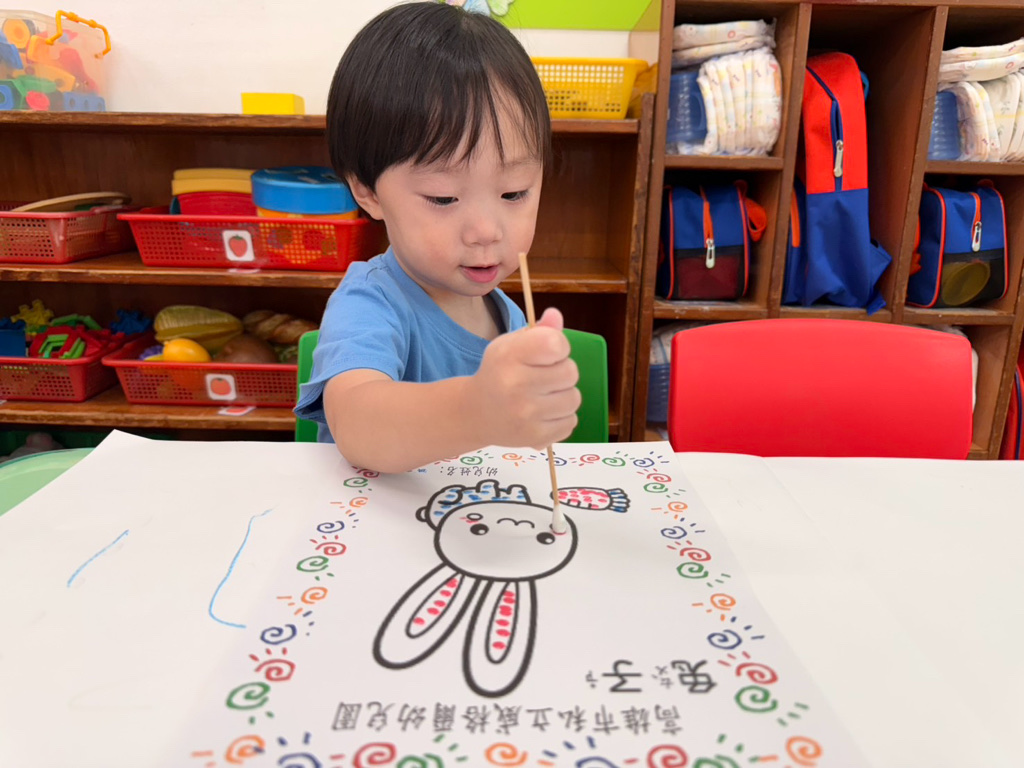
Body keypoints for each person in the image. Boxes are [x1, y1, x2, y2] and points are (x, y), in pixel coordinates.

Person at [294, 2, 580, 473]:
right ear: (368, 192)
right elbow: (359, 424)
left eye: (514, 192)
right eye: (444, 197)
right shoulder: (370, 302)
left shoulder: (508, 316)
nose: (486, 231)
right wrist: (477, 409)